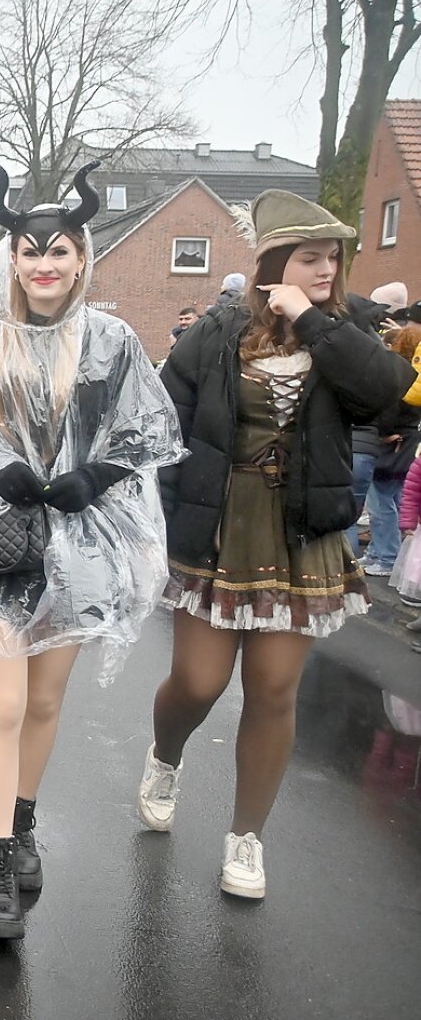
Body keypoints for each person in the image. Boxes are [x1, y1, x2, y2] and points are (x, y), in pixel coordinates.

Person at [0, 157, 183, 939]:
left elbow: (149, 427)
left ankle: (21, 824)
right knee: (4, 704)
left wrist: (99, 472)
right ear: (11, 255)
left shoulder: (113, 339)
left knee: (43, 702)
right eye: (30, 251)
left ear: (81, 256)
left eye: (59, 251)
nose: (44, 264)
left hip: (79, 542)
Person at [142, 188, 414, 900]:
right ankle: (166, 755)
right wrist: (162, 522)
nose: (327, 269)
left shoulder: (349, 329)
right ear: (275, 261)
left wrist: (315, 322)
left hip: (302, 533)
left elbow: (389, 393)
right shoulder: (219, 329)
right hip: (218, 523)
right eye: (311, 258)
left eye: (334, 257)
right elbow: (163, 424)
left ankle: (246, 839)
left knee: (272, 690)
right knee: (199, 684)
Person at [354, 325, 421, 575]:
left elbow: (386, 416)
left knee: (381, 504)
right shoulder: (417, 380)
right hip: (406, 446)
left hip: (391, 448)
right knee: (393, 499)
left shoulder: (400, 381)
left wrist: (380, 433)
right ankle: (379, 552)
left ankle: (386, 556)